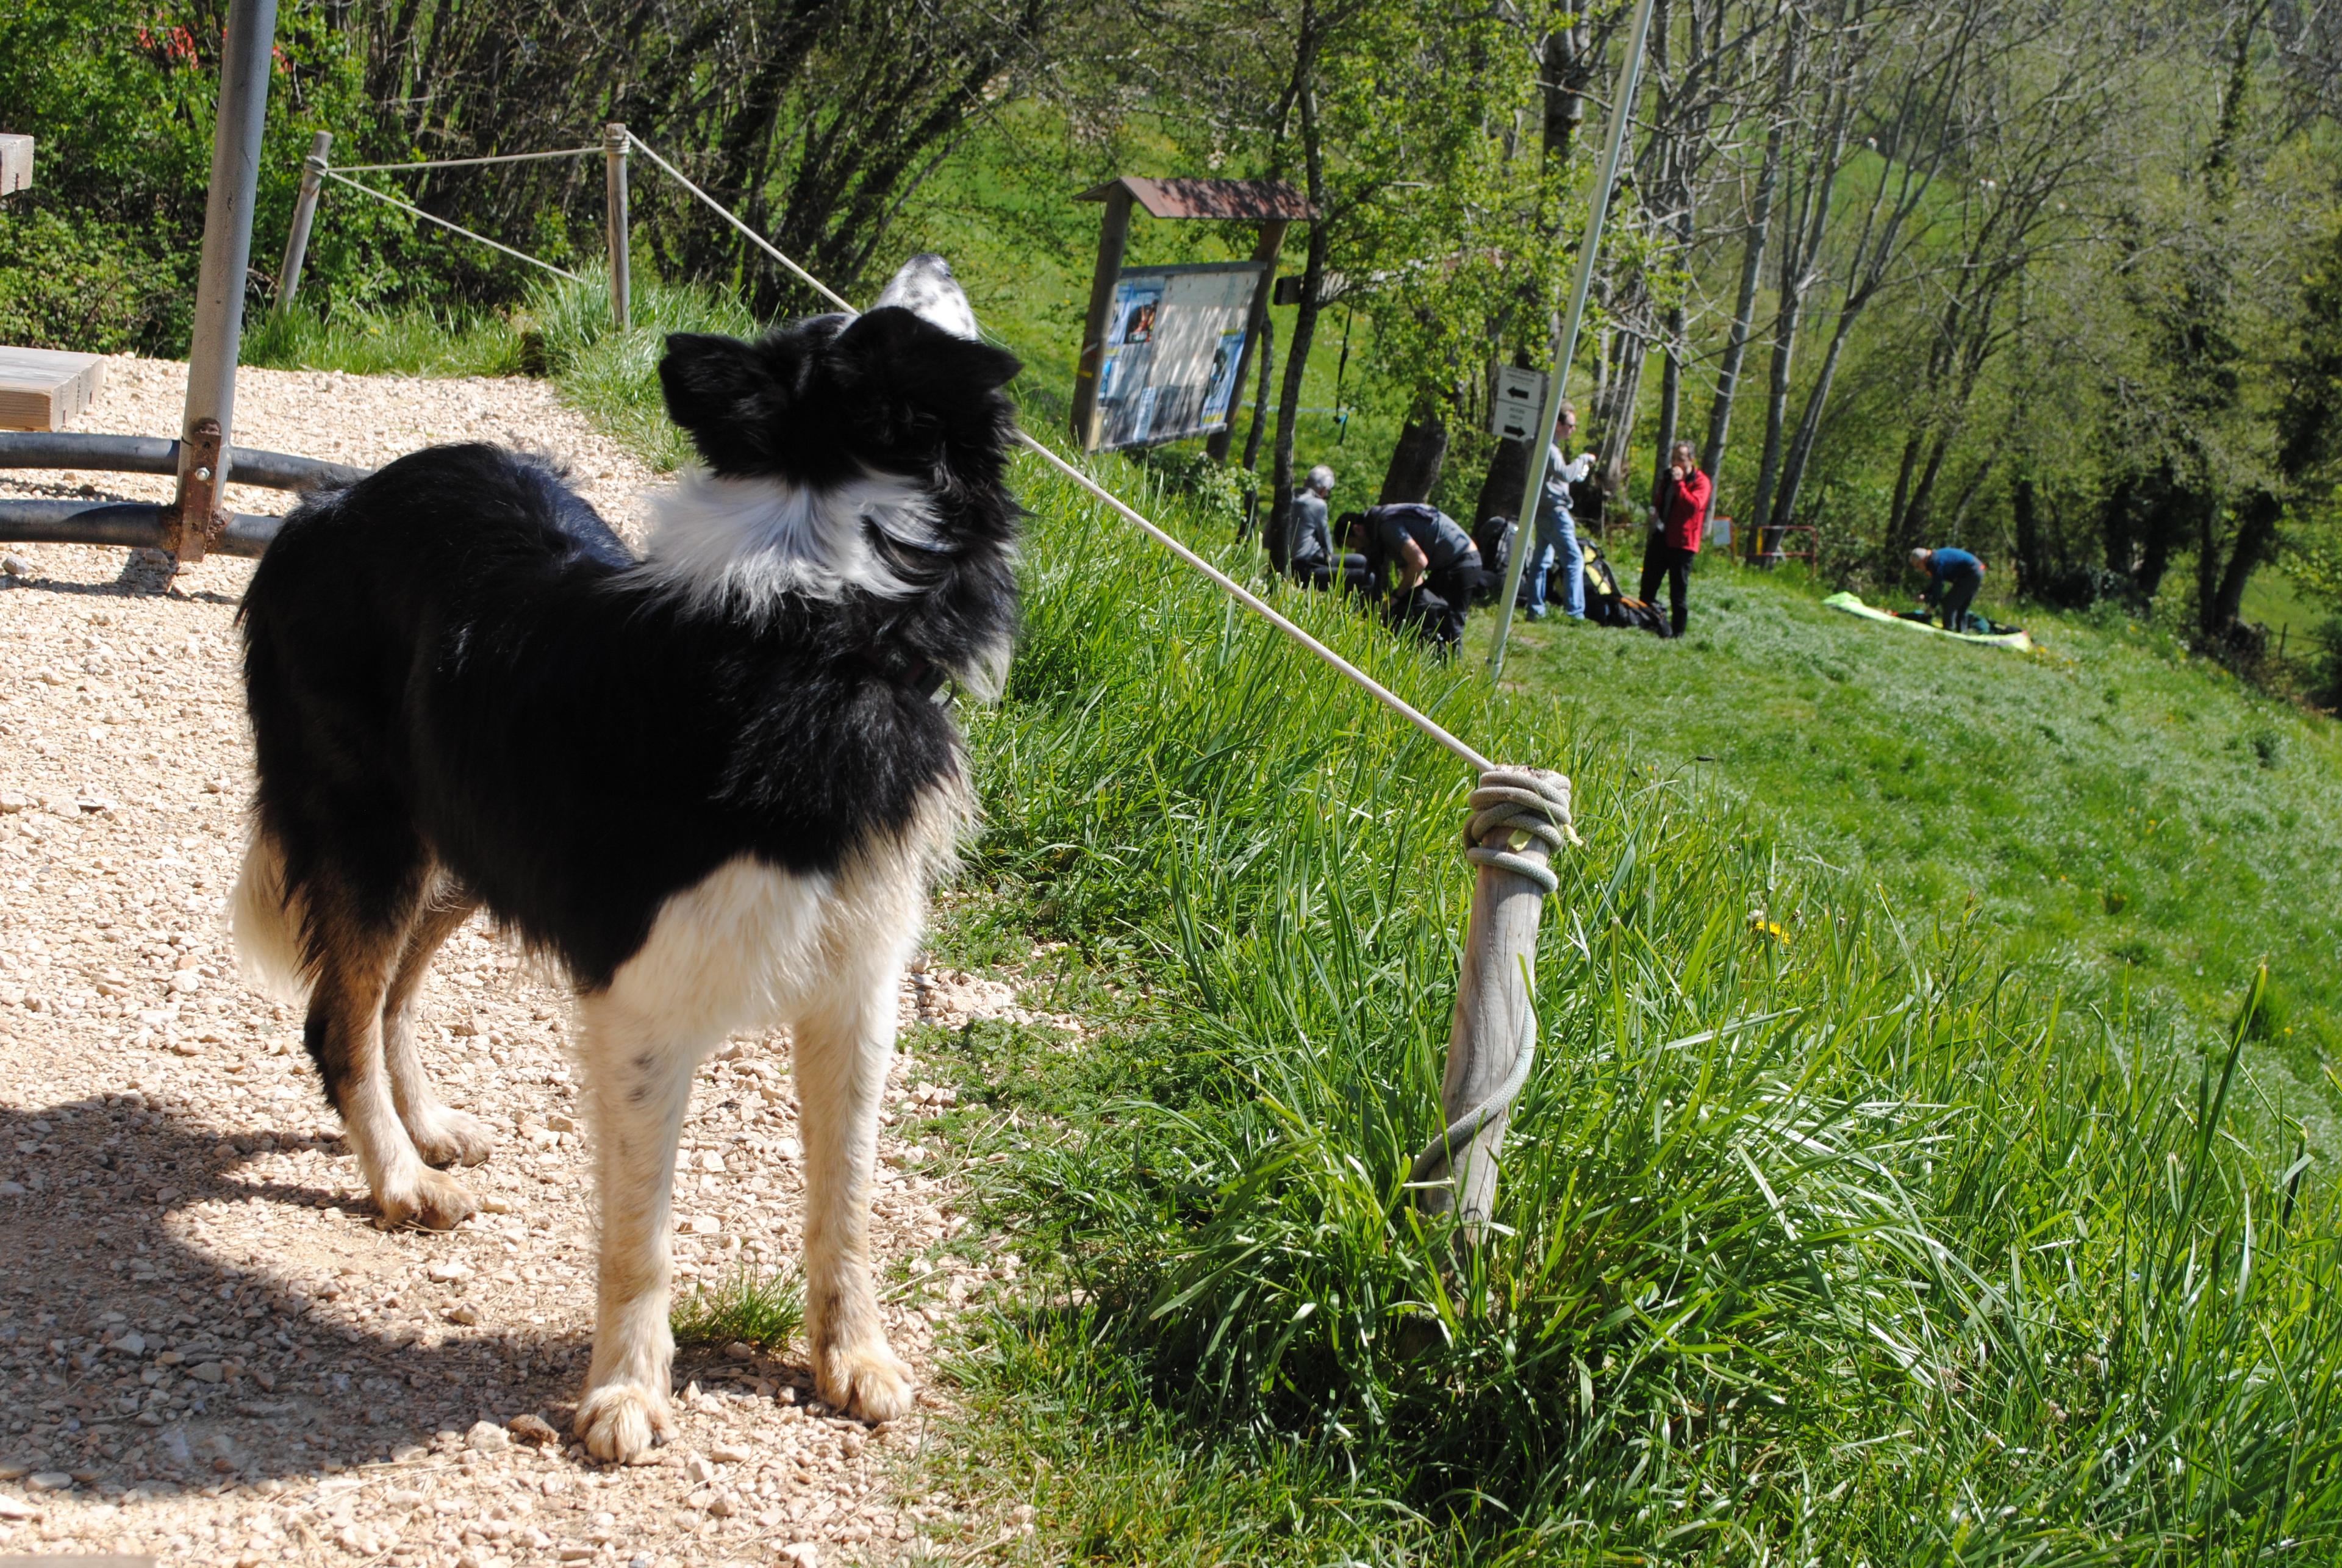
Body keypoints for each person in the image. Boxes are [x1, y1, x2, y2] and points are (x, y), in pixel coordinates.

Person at [1348, 501, 1481, 651]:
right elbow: (1414, 578)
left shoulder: (1387, 526)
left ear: (1357, 529)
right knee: (1429, 612)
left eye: (1354, 545)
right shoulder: (1382, 524)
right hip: (1451, 564)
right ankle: (1432, 658)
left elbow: (1419, 562)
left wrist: (1394, 599)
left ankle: (1453, 666)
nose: (1359, 550)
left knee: (1452, 622)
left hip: (1463, 562)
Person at [1521, 404, 1600, 621]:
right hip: (1555, 513)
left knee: (1540, 561)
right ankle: (1575, 613)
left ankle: (1535, 609)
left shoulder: (1540, 445)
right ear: (1557, 425)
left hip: (1542, 510)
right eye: (1570, 425)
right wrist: (1583, 459)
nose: (1573, 430)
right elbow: (1565, 474)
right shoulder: (1549, 448)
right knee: (1574, 559)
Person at [1640, 441, 1711, 638]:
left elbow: (1693, 506)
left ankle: (1678, 634)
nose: (1675, 463)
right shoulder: (1667, 477)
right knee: (1648, 584)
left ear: (1691, 460)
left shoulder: (1701, 482)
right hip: (1661, 538)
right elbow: (1662, 499)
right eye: (1673, 458)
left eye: (1680, 458)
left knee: (1678, 594)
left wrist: (1680, 484)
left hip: (1683, 544)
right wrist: (1655, 512)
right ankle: (1645, 622)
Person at [1911, 545, 1986, 631]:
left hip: (1971, 572)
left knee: (1948, 603)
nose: (1919, 568)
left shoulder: (1934, 562)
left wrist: (1932, 607)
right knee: (1962, 606)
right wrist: (1925, 593)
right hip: (1978, 569)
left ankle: (1948, 630)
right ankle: (1961, 632)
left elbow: (1938, 588)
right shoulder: (1935, 557)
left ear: (1922, 560)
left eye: (1917, 565)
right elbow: (1936, 583)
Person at [1287, 465, 1336, 587]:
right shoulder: (1318, 504)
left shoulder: (1286, 499)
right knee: (1363, 568)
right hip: (1305, 570)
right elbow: (1328, 548)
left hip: (1283, 564)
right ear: (1323, 490)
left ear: (1305, 481)